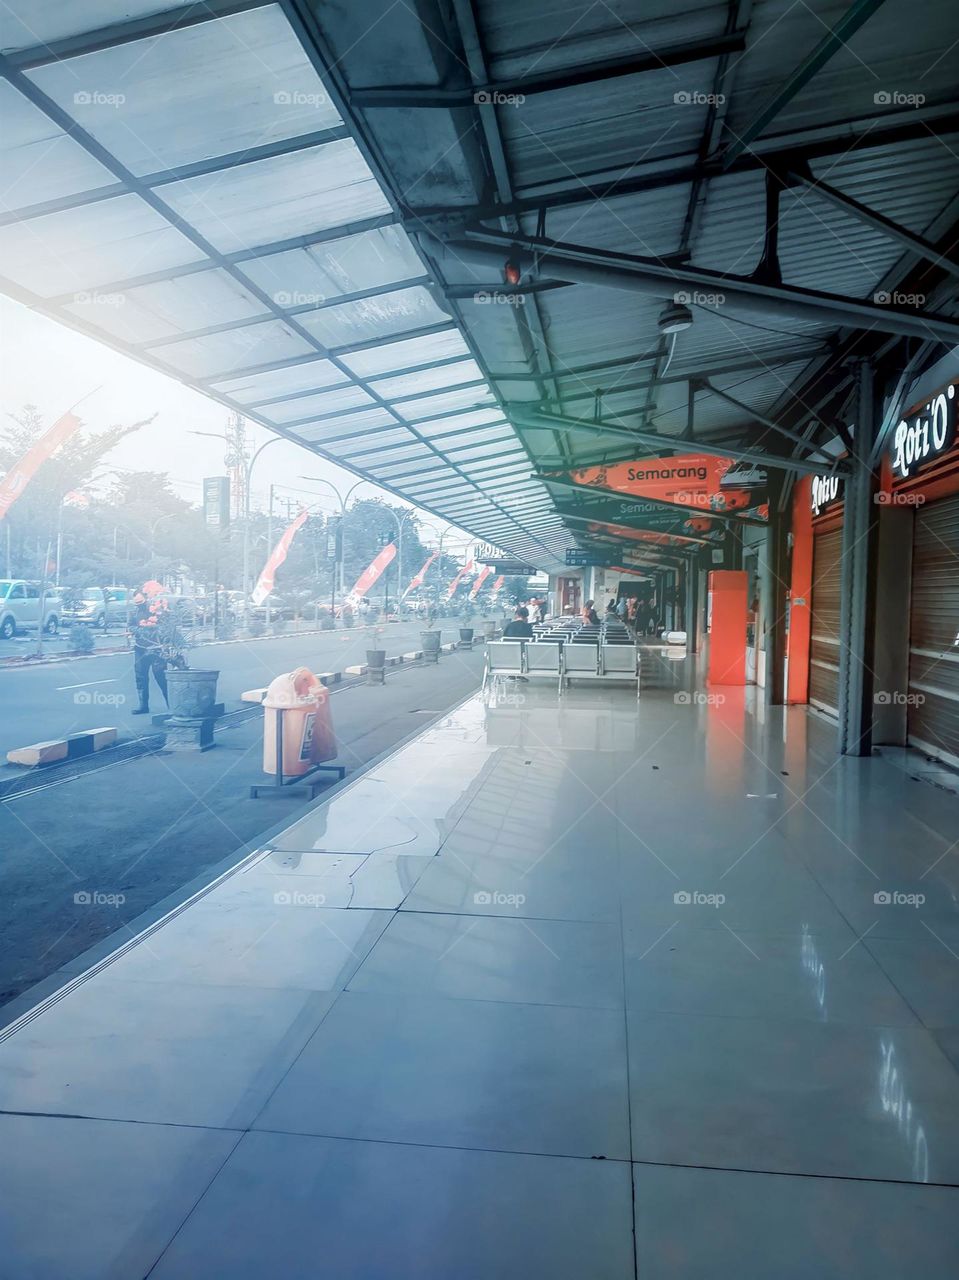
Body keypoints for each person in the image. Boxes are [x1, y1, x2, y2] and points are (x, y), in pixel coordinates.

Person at [129, 587, 169, 715]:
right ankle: (143, 706)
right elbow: (130, 626)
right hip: (140, 648)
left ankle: (172, 704)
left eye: (141, 602)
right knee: (140, 677)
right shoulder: (134, 613)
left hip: (156, 648)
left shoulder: (155, 610)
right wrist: (135, 630)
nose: (139, 605)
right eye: (136, 603)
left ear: (146, 598)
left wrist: (151, 626)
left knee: (161, 677)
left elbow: (164, 626)